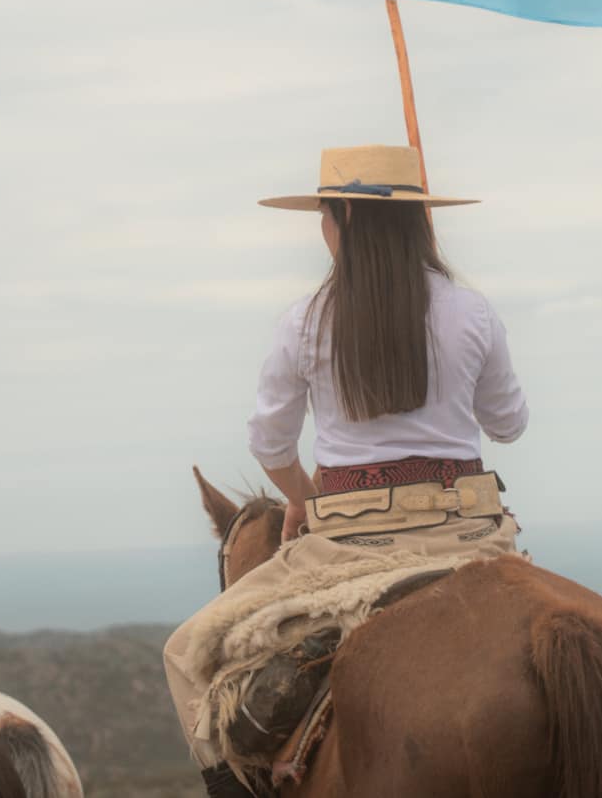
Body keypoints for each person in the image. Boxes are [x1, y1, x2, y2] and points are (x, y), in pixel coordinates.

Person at [163, 145, 529, 798]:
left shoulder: (304, 321)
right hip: (471, 529)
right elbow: (509, 425)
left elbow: (269, 442)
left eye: (325, 215)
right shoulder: (473, 312)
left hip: (352, 540)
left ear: (341, 222)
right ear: (420, 223)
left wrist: (300, 499)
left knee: (185, 657)